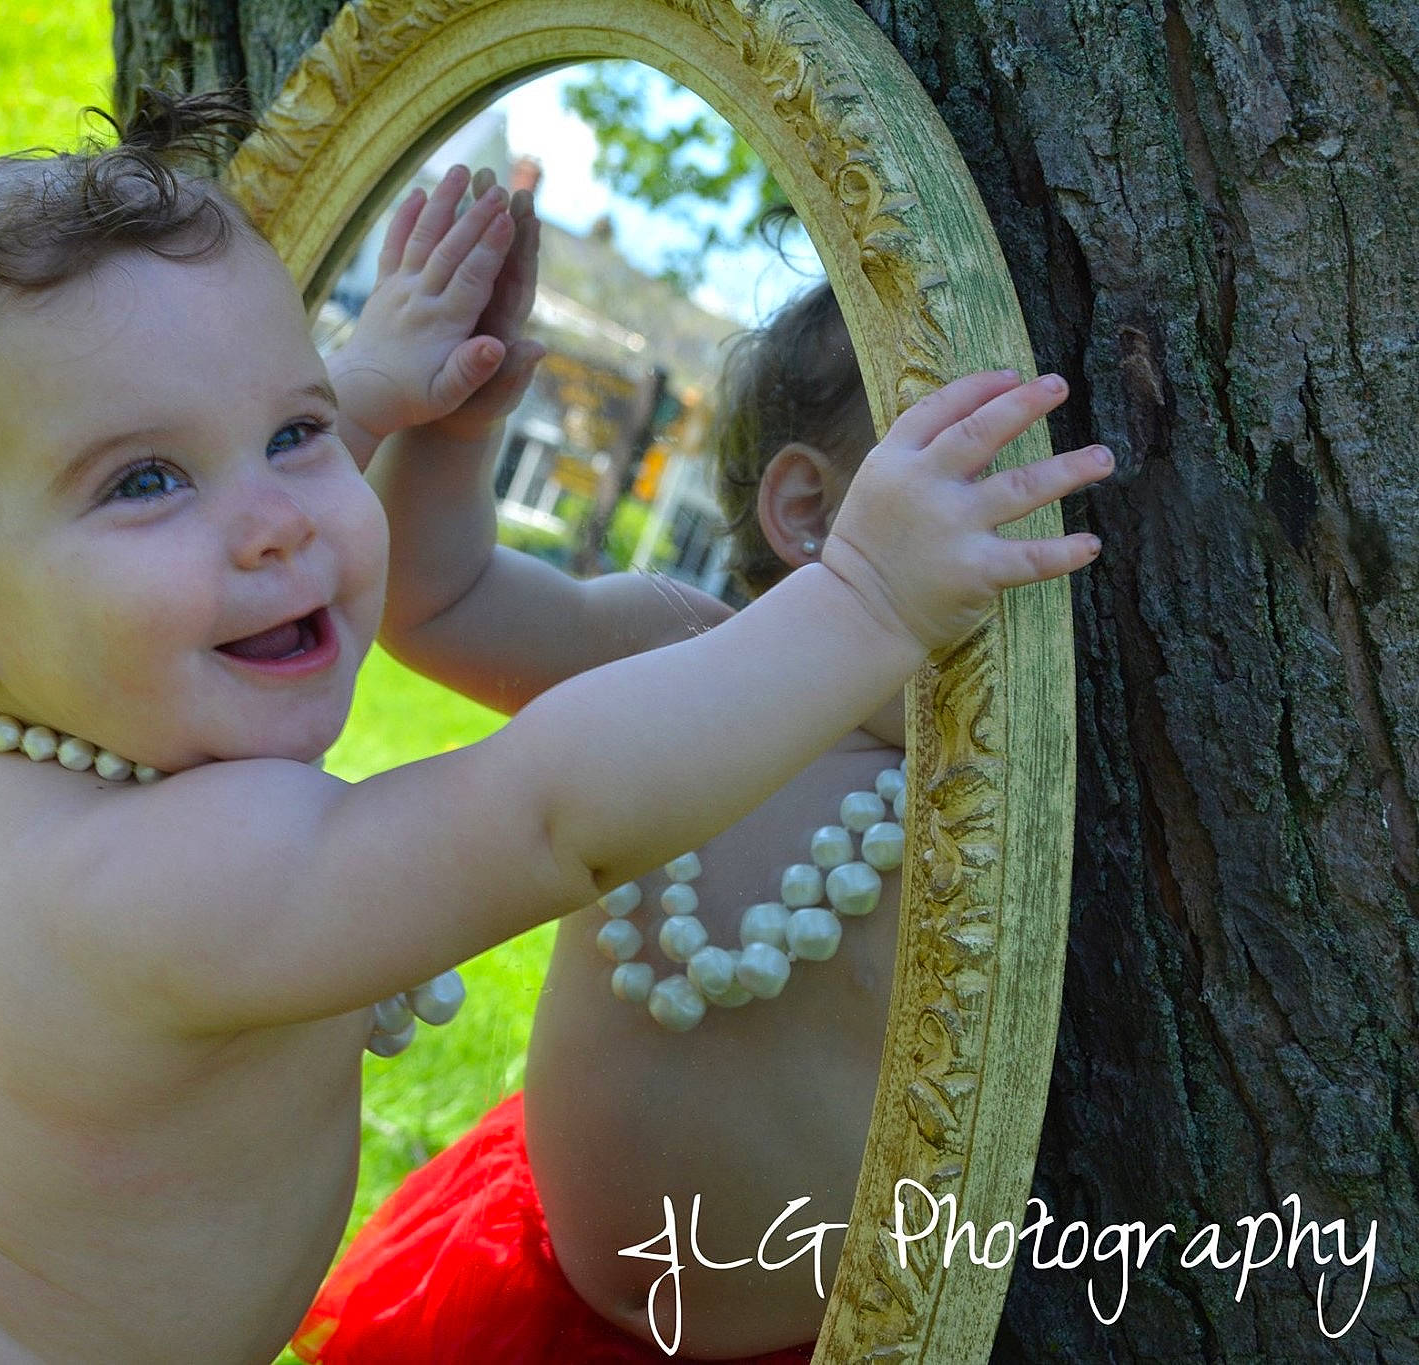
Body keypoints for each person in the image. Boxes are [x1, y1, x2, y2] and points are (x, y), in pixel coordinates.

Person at [0, 93, 1108, 1364]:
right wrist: (868, 607)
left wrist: (366, 384)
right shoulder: (182, 878)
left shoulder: (20, 694)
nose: (283, 515)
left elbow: (202, 465)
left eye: (290, 433)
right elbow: (540, 819)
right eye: (144, 480)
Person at [294, 187, 1086, 1363]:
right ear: (810, 509)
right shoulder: (674, 654)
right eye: (975, 497)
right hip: (525, 1286)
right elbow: (439, 602)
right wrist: (456, 433)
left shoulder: (976, 802)